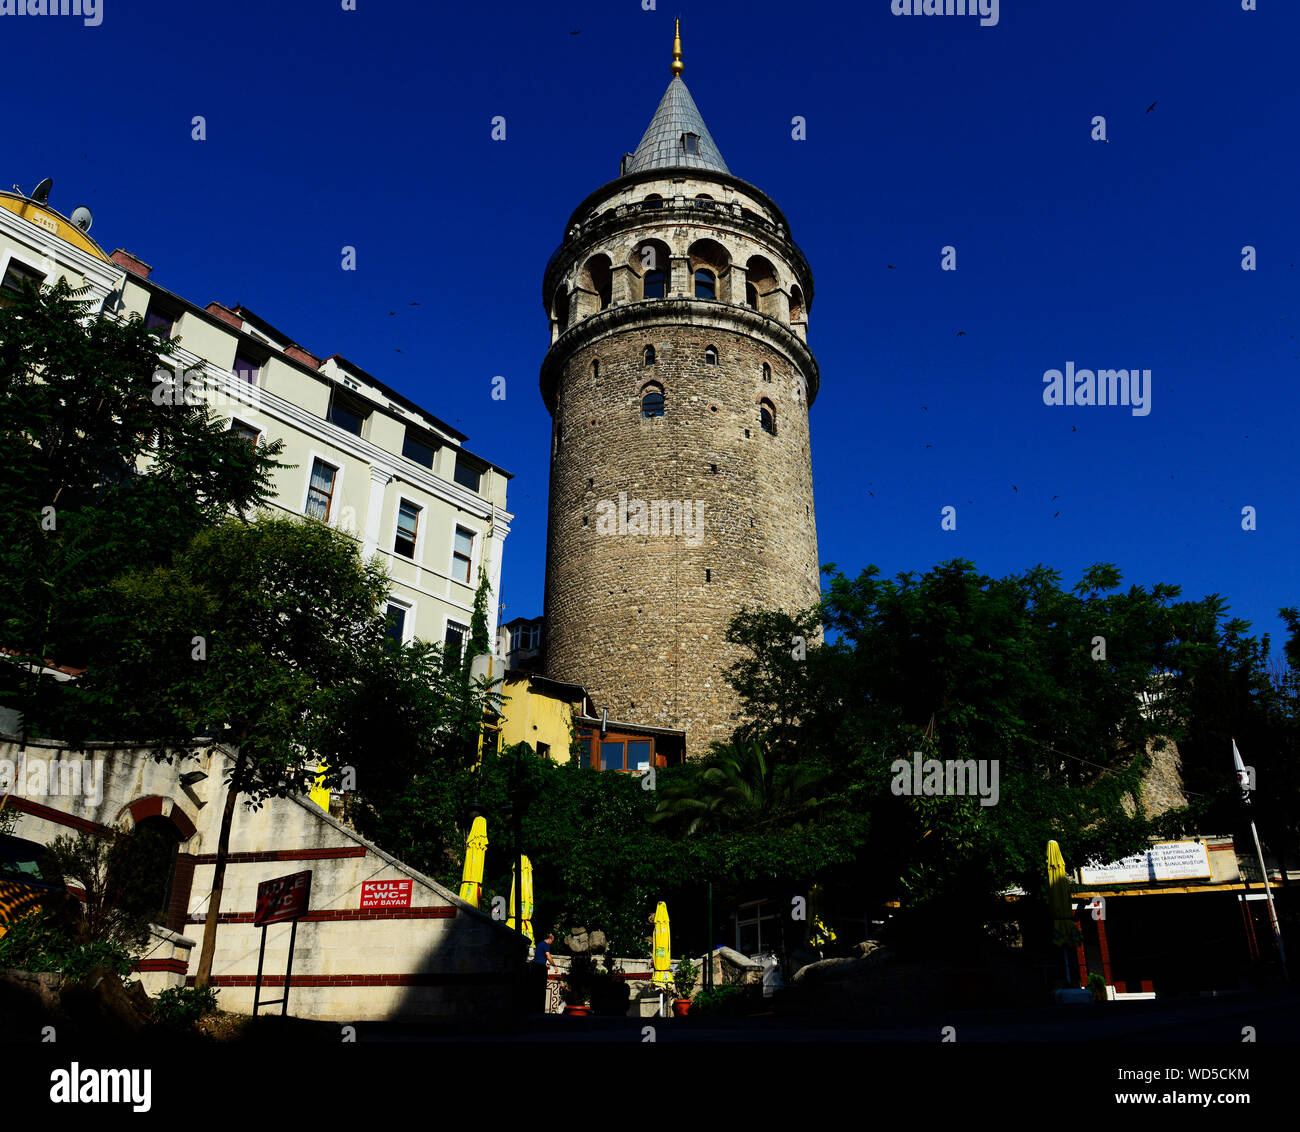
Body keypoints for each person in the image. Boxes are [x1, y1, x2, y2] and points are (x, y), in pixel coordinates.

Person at [532, 930, 558, 1011]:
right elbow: (548, 956)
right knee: (541, 988)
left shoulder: (540, 944)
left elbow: (539, 957)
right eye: (552, 941)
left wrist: (545, 964)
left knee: (536, 987)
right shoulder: (546, 945)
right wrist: (554, 966)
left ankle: (535, 1007)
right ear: (549, 939)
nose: (552, 943)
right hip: (540, 969)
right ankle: (540, 1008)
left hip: (536, 966)